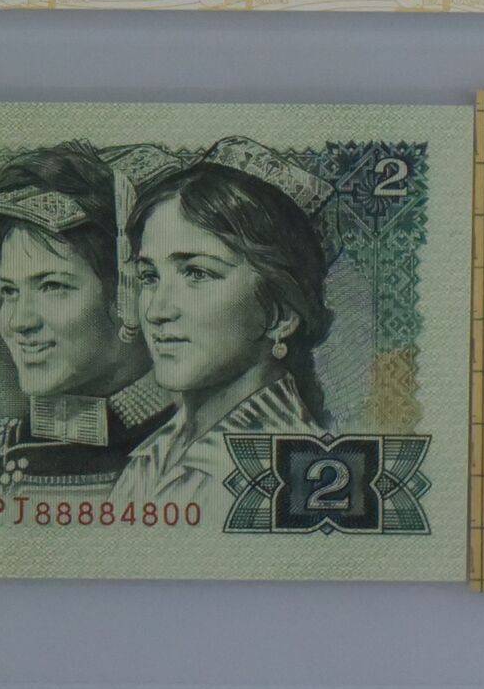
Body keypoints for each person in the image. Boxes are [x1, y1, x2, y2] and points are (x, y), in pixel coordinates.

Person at [0, 141, 179, 525]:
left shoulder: (207, 448)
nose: (19, 321)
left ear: (129, 293)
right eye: (9, 292)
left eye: (52, 286)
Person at [109, 136, 335, 508]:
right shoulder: (154, 455)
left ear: (280, 313)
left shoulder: (289, 473)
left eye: (197, 273)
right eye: (149, 277)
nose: (155, 311)